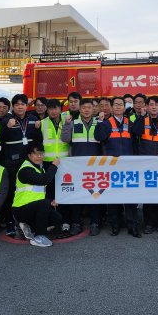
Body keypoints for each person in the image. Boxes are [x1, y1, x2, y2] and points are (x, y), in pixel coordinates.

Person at [0, 93, 43, 237]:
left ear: (26, 106)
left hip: (29, 161)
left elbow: (38, 140)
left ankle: (29, 220)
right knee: (11, 191)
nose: (20, 107)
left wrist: (37, 129)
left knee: (30, 190)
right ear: (13, 107)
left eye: (22, 104)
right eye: (17, 105)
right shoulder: (7, 119)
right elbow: (1, 139)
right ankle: (11, 221)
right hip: (12, 161)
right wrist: (7, 128)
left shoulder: (33, 119)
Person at [95, 96, 139, 237]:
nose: (119, 107)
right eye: (116, 105)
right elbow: (99, 137)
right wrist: (100, 122)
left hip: (128, 166)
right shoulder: (107, 123)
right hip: (112, 166)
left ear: (125, 107)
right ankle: (115, 225)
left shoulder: (130, 122)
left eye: (121, 104)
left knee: (130, 198)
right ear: (112, 108)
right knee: (113, 197)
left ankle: (132, 226)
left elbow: (137, 137)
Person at [131, 96, 158, 235]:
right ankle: (148, 223)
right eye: (151, 105)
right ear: (147, 107)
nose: (153, 107)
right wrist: (140, 117)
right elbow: (135, 132)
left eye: (156, 104)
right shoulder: (142, 120)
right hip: (145, 162)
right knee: (147, 194)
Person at [61, 98, 103, 236]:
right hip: (77, 167)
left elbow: (103, 139)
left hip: (95, 166)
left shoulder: (99, 123)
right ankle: (76, 223)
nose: (86, 110)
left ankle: (95, 222)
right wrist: (67, 125)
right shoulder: (73, 123)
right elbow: (65, 139)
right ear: (79, 109)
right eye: (83, 107)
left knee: (94, 195)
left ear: (93, 109)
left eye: (89, 107)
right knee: (77, 195)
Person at [12, 144, 63, 247]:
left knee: (57, 218)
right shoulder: (25, 170)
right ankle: (39, 236)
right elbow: (44, 180)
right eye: (36, 154)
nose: (40, 156)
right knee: (44, 204)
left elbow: (39, 192)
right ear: (29, 155)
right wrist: (54, 166)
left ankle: (28, 226)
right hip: (21, 209)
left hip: (34, 208)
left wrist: (50, 200)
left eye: (41, 154)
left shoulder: (40, 169)